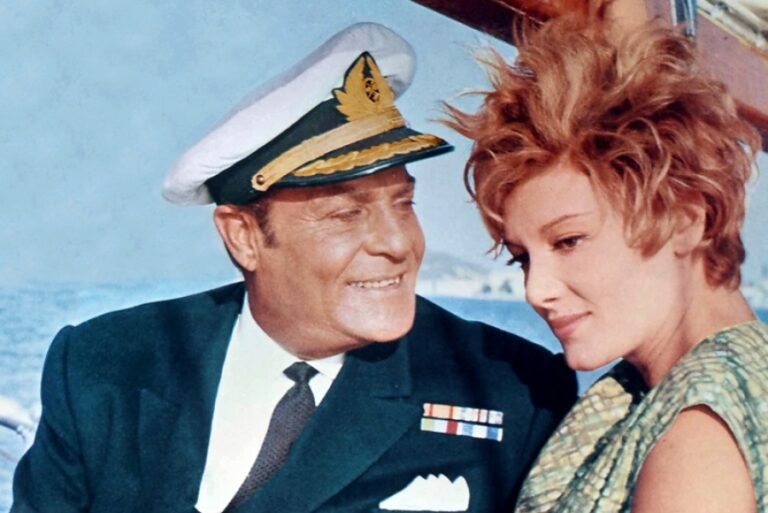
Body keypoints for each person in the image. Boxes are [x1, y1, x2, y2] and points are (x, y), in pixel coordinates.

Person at [12, 22, 576, 513]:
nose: (397, 243)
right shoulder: (106, 365)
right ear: (244, 237)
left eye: (404, 203)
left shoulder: (514, 391)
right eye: (345, 214)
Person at [445, 13, 767, 513]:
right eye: (522, 259)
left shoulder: (697, 436)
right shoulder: (734, 377)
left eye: (569, 241)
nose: (536, 291)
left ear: (686, 219)